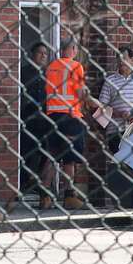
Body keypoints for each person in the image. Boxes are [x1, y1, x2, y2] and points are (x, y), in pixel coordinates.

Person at [44, 36, 99, 210]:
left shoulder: (51, 67)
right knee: (69, 159)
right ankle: (69, 196)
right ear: (73, 49)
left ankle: (44, 196)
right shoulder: (76, 66)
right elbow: (81, 92)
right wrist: (97, 104)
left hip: (52, 116)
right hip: (71, 117)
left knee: (51, 157)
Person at [96, 46, 133, 142]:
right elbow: (101, 106)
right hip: (115, 132)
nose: (121, 61)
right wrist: (119, 113)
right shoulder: (109, 81)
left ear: (132, 60)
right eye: (118, 58)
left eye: (124, 58)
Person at [20, 42, 56, 203]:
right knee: (27, 151)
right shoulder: (24, 72)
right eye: (40, 53)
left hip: (46, 119)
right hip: (28, 118)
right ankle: (25, 182)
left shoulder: (49, 73)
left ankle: (39, 184)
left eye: (45, 54)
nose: (43, 56)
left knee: (45, 153)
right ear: (32, 55)